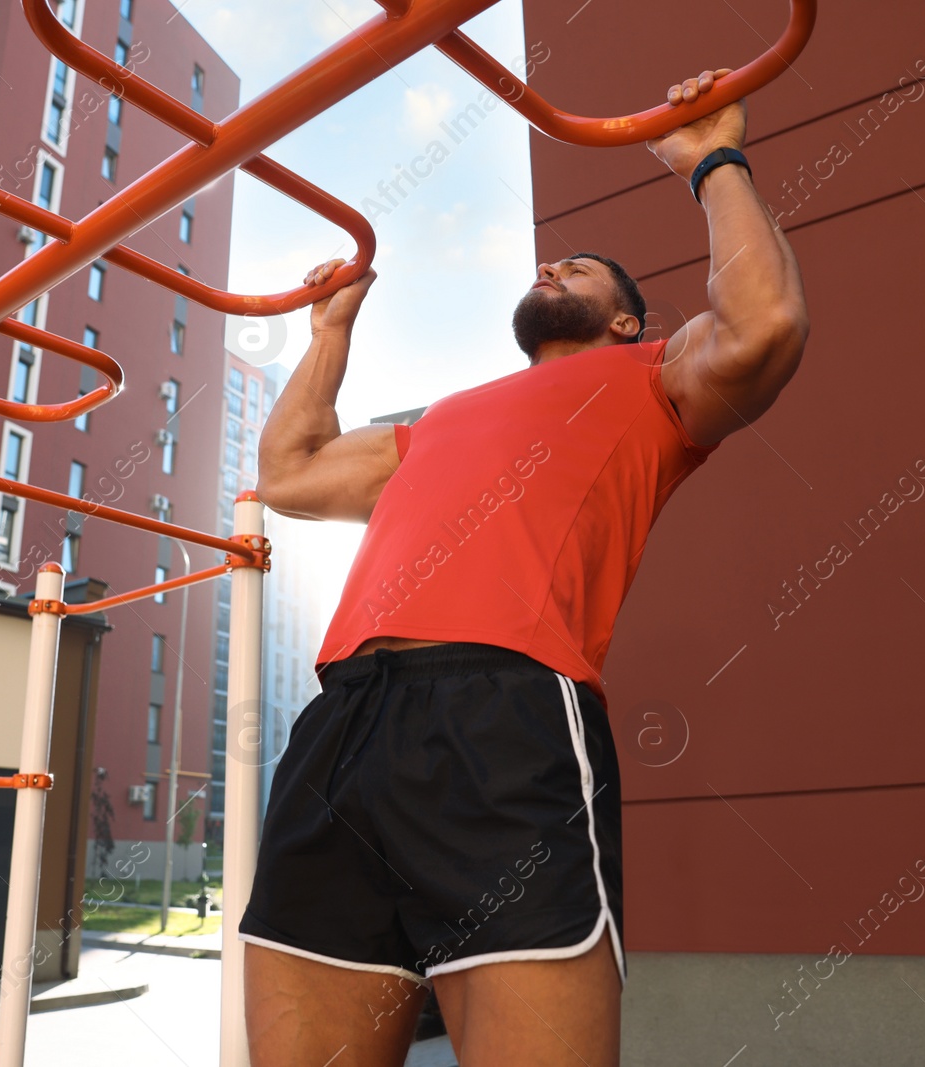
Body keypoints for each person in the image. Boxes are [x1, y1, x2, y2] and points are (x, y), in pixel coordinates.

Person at [242, 67, 809, 1066]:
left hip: (501, 714)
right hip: (344, 722)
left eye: (583, 268)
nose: (556, 263)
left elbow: (764, 325)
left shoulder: (656, 374)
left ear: (627, 320)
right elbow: (288, 472)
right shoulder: (436, 422)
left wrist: (708, 158)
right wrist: (330, 333)